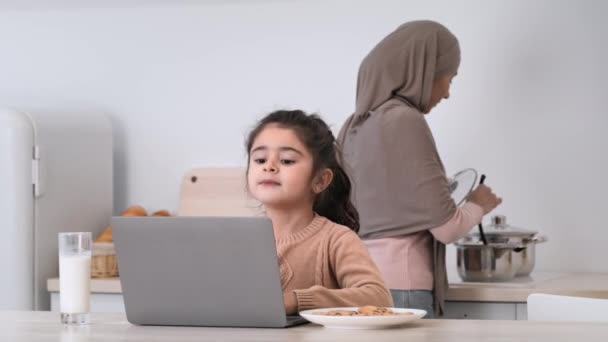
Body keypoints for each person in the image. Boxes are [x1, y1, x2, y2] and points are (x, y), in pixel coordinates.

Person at [337, 20, 502, 317]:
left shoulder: (353, 126)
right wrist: (479, 203)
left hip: (356, 285)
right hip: (404, 288)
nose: (447, 93)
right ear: (424, 73)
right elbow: (447, 228)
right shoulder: (405, 120)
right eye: (449, 79)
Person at [245, 109, 393, 314]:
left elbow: (379, 298)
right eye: (260, 159)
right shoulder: (240, 241)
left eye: (286, 160)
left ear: (320, 180)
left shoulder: (337, 240)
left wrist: (300, 300)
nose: (269, 167)